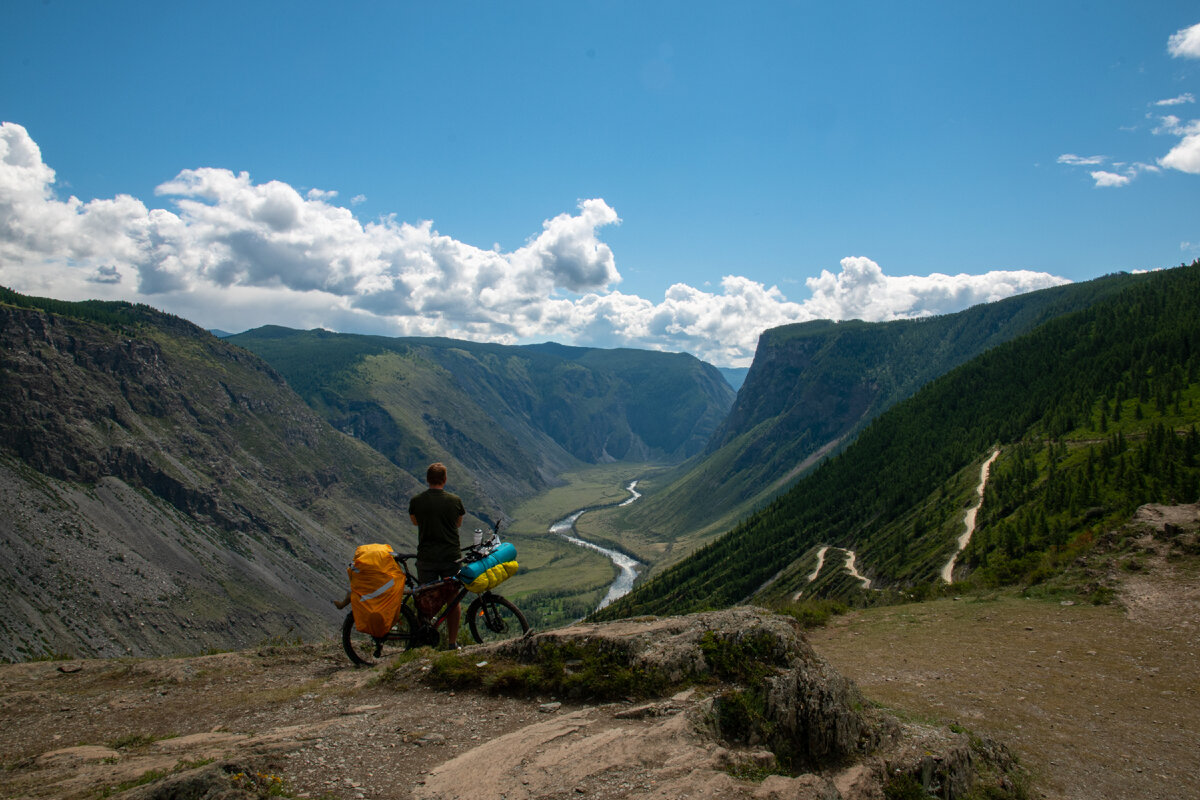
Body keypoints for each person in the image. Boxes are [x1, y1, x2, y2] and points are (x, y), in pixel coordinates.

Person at [408, 462, 466, 648]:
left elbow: (415, 522)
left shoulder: (417, 501)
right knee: (453, 598)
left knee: (425, 600)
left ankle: (423, 643)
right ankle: (452, 642)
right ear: (445, 479)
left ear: (427, 479)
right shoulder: (455, 501)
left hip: (426, 558)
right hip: (451, 557)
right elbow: (458, 523)